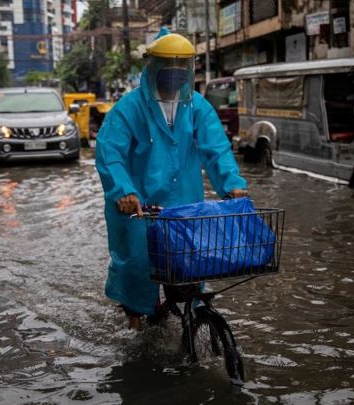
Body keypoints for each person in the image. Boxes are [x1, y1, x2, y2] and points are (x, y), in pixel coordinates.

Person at [95, 28, 248, 330]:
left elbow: (216, 148)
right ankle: (135, 325)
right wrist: (123, 191)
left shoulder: (197, 107)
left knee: (189, 272)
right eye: (168, 68)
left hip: (184, 209)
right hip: (139, 209)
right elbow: (110, 154)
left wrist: (233, 185)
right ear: (152, 67)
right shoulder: (129, 108)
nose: (174, 76)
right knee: (138, 271)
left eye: (182, 69)